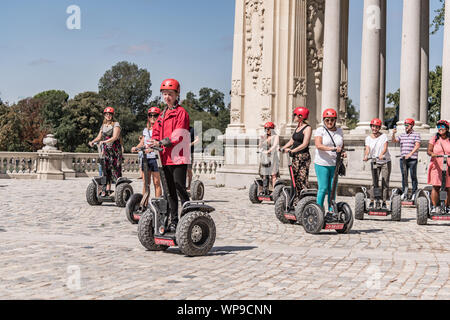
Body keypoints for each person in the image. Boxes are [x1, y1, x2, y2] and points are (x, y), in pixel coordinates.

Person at [149, 79, 190, 232]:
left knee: (179, 189)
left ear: (177, 95)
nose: (167, 97)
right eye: (164, 94)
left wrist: (163, 142)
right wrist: (153, 141)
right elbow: (156, 132)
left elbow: (179, 134)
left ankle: (188, 217)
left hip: (178, 157)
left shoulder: (181, 113)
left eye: (170, 94)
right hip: (165, 157)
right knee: (169, 192)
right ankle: (174, 221)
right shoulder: (162, 114)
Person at [314, 108, 345, 212]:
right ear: (324, 120)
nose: (330, 122)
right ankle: (318, 211)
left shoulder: (340, 131)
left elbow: (341, 145)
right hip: (322, 163)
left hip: (334, 164)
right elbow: (318, 145)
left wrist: (343, 152)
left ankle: (331, 211)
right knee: (323, 189)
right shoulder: (320, 130)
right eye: (327, 120)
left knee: (332, 189)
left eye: (332, 120)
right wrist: (332, 149)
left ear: (335, 120)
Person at [280, 107, 312, 205]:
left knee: (301, 179)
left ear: (301, 116)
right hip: (295, 157)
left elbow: (305, 144)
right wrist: (282, 147)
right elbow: (292, 140)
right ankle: (295, 200)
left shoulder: (308, 128)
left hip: (303, 157)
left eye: (295, 115)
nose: (293, 116)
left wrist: (292, 150)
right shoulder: (298, 127)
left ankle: (303, 201)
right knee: (294, 179)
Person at [89, 107, 123, 196]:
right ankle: (106, 190)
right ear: (104, 115)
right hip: (106, 150)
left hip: (115, 150)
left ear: (112, 115)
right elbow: (99, 137)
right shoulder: (103, 125)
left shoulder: (116, 124)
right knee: (106, 169)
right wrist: (93, 141)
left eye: (110, 114)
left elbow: (115, 137)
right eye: (107, 114)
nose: (108, 116)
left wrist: (104, 141)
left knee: (115, 169)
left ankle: (119, 190)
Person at [131, 107, 162, 198]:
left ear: (158, 116)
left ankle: (157, 203)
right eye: (150, 115)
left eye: (155, 115)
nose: (152, 117)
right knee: (146, 183)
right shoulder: (146, 130)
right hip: (146, 159)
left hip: (156, 158)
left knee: (156, 182)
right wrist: (136, 147)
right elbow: (143, 142)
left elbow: (160, 143)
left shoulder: (161, 129)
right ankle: (144, 204)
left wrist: (152, 149)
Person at [363, 118, 392, 209]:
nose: (374, 128)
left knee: (385, 182)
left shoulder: (383, 136)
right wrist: (366, 155)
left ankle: (383, 202)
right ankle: (372, 201)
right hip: (375, 161)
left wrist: (382, 154)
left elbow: (385, 147)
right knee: (374, 182)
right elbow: (367, 148)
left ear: (379, 128)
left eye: (376, 127)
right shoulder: (368, 138)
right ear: (371, 127)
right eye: (373, 126)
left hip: (385, 162)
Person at [391, 118, 421, 200]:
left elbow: (417, 145)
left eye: (407, 125)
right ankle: (405, 192)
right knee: (404, 176)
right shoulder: (402, 135)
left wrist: (410, 154)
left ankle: (414, 192)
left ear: (412, 125)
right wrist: (393, 134)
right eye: (405, 125)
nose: (406, 127)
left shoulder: (416, 135)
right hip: (403, 159)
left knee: (413, 176)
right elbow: (393, 141)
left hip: (412, 159)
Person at [427, 120, 450, 213]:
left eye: (443, 126)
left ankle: (447, 207)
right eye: (439, 126)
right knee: (436, 186)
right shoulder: (434, 138)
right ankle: (435, 206)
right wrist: (432, 154)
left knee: (448, 187)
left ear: (447, 128)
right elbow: (429, 150)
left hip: (448, 165)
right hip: (436, 165)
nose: (440, 128)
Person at [259, 122, 280, 188]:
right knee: (264, 174)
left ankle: (274, 190)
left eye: (268, 129)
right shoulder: (264, 136)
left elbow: (275, 145)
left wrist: (269, 150)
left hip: (272, 156)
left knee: (273, 174)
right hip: (264, 157)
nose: (266, 130)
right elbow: (260, 146)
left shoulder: (275, 136)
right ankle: (265, 189)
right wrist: (261, 140)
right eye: (265, 129)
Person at [187, 126, 200, 192]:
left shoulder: (192, 129)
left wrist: (191, 144)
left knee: (189, 169)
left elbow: (197, 139)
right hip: (180, 153)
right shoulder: (180, 128)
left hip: (189, 152)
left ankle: (189, 186)